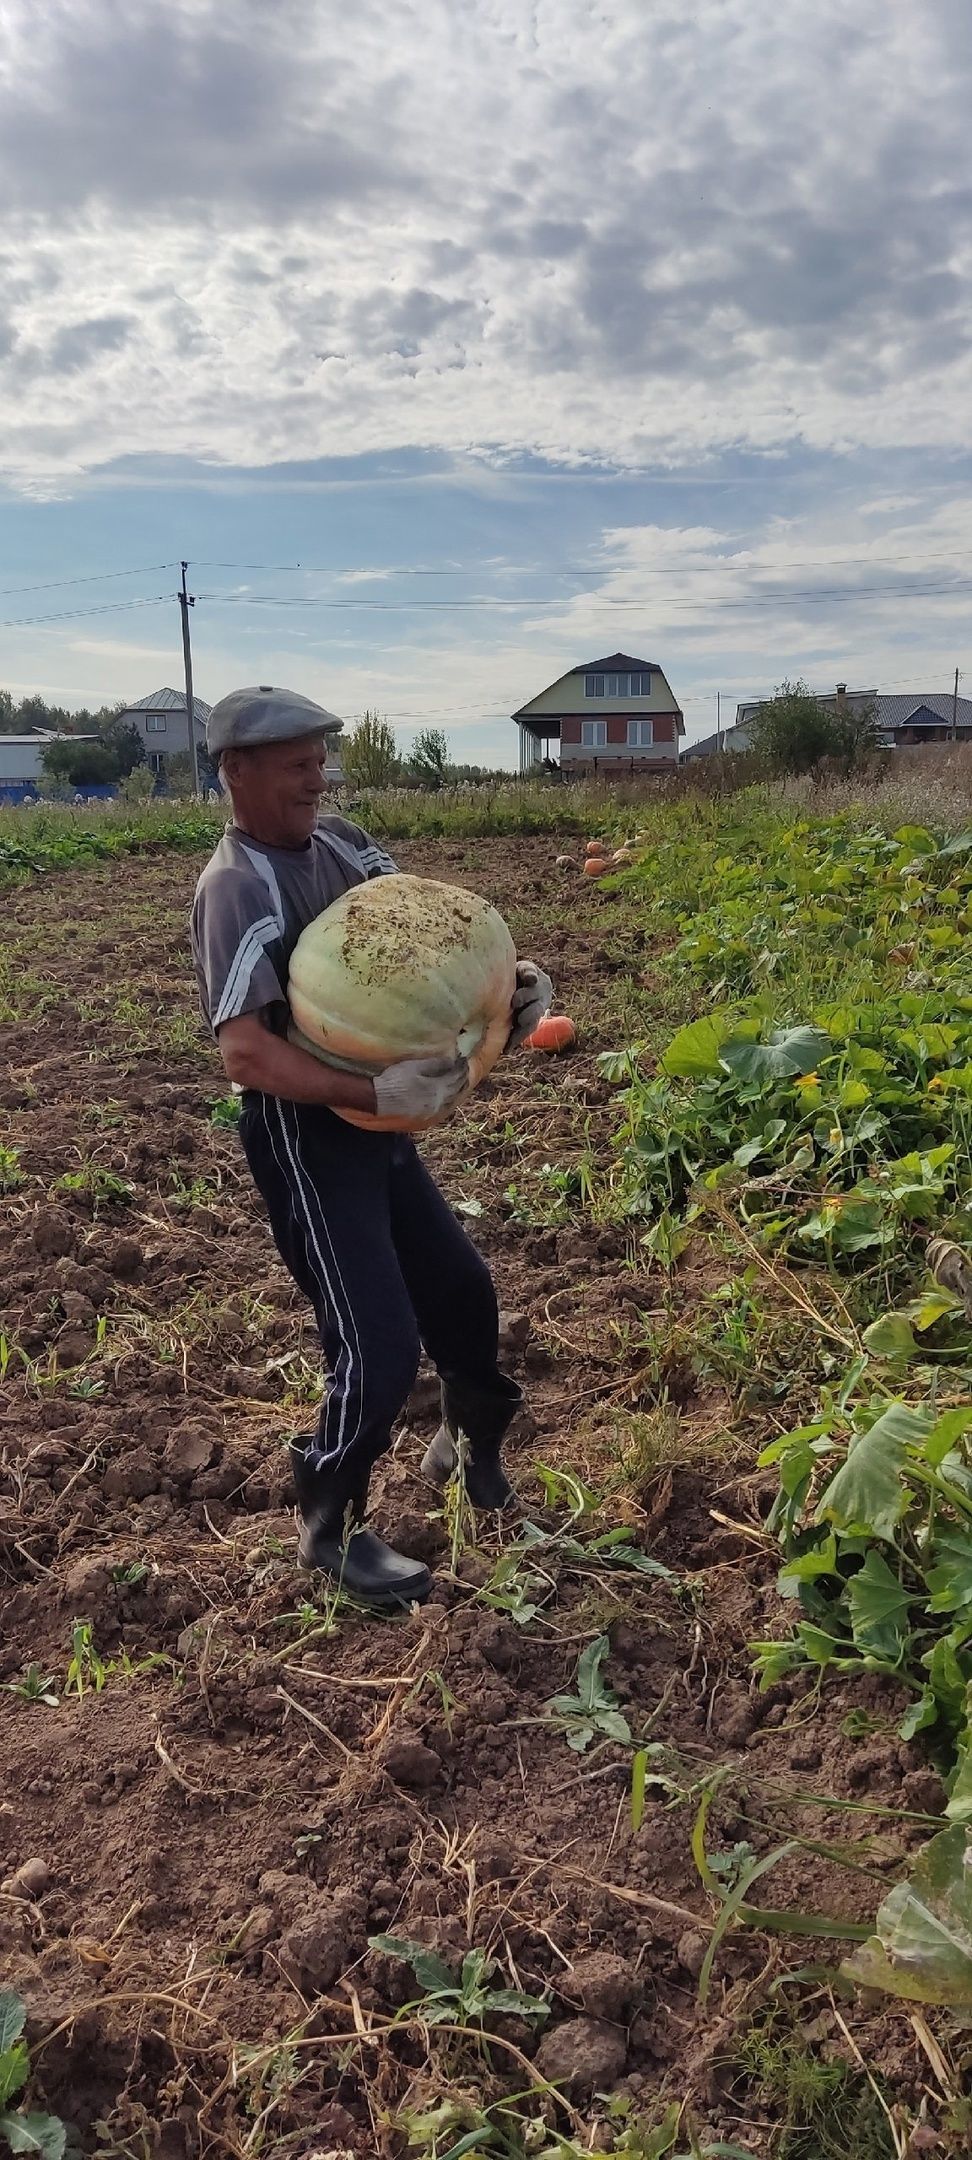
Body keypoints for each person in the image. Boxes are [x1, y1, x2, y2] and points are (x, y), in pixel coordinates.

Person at [190, 687, 553, 1606]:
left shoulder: (346, 844)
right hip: (306, 1134)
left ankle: (468, 1452)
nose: (319, 777)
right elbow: (245, 1050)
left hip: (374, 1121)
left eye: (321, 757)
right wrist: (374, 1091)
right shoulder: (236, 886)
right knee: (377, 1341)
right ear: (237, 772)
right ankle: (331, 1522)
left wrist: (507, 990)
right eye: (296, 763)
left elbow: (420, 942)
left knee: (464, 1292)